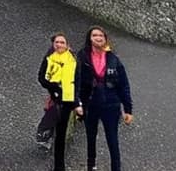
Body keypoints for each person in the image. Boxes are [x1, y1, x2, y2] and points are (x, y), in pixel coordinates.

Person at [75, 25, 133, 171]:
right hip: (90, 104)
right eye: (95, 35)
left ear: (105, 39)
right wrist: (77, 103)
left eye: (101, 36)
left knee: (112, 139)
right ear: (90, 38)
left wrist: (128, 109)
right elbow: (77, 81)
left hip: (111, 105)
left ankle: (116, 168)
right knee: (91, 137)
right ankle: (91, 165)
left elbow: (123, 85)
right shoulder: (82, 57)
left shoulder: (113, 59)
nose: (98, 38)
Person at [36, 32, 78, 170]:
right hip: (55, 94)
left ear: (68, 45)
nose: (59, 45)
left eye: (62, 42)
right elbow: (42, 77)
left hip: (69, 95)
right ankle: (47, 135)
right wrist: (54, 87)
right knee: (53, 113)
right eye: (56, 42)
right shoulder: (50, 57)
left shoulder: (73, 60)